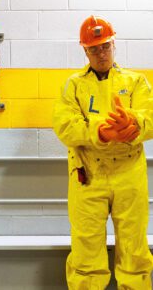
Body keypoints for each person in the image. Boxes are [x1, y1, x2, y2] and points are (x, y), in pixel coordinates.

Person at [53, 15, 153, 289]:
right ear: (84, 50)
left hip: (129, 173)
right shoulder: (74, 85)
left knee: (134, 247)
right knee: (86, 248)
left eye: (105, 46)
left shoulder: (136, 82)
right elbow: (64, 126)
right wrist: (101, 132)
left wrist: (134, 125)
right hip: (88, 174)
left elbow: (150, 115)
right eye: (94, 48)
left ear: (113, 44)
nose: (101, 53)